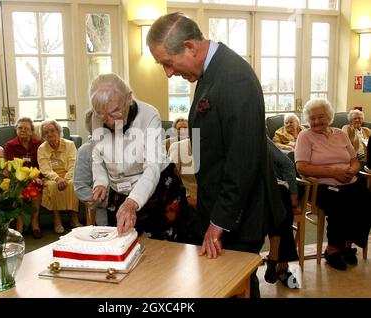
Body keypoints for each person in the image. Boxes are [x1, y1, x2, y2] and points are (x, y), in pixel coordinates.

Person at [147, 12, 285, 298]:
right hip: (218, 210)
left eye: (168, 63)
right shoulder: (211, 73)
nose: (168, 73)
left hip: (237, 218)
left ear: (189, 46)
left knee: (237, 288)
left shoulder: (234, 78)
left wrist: (218, 222)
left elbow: (243, 160)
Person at [90, 73, 193, 243]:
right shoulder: (97, 116)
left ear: (129, 98)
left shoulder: (149, 115)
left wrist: (132, 203)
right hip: (120, 192)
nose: (109, 121)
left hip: (158, 188)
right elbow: (97, 156)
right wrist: (100, 182)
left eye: (115, 111)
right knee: (121, 246)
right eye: (103, 116)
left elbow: (152, 166)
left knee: (165, 251)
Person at [295, 98, 371, 271]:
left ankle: (347, 244)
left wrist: (351, 171)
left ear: (329, 117)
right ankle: (333, 250)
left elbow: (355, 160)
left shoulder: (340, 134)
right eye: (312, 118)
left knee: (365, 199)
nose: (316, 121)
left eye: (320, 117)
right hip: (322, 186)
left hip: (348, 180)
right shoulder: (305, 136)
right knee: (342, 200)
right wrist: (335, 172)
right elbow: (302, 167)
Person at [265, 137, 300, 289]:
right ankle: (281, 266)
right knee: (276, 199)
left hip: (273, 187)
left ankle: (275, 258)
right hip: (245, 190)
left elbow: (287, 164)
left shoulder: (258, 135)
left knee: (280, 195)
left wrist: (293, 194)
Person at [38, 119, 82, 234]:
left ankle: (74, 217)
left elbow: (74, 164)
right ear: (43, 136)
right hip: (51, 177)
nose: (50, 134)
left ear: (58, 131)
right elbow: (45, 168)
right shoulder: (42, 148)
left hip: (68, 175)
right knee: (53, 186)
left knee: (73, 184)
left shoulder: (69, 144)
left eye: (52, 130)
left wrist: (66, 179)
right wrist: (57, 178)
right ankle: (57, 219)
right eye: (46, 133)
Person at [4, 117, 43, 239]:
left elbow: (41, 163)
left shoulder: (39, 144)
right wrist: (23, 178)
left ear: (32, 131)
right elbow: (11, 166)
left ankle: (34, 223)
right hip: (18, 178)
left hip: (35, 176)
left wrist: (37, 177)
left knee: (36, 189)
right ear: (16, 130)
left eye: (26, 128)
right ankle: (19, 227)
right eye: (20, 128)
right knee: (18, 190)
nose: (23, 130)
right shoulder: (10, 145)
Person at [73, 109, 108, 226]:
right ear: (91, 128)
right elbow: (81, 187)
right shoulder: (86, 150)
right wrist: (104, 200)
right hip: (104, 207)